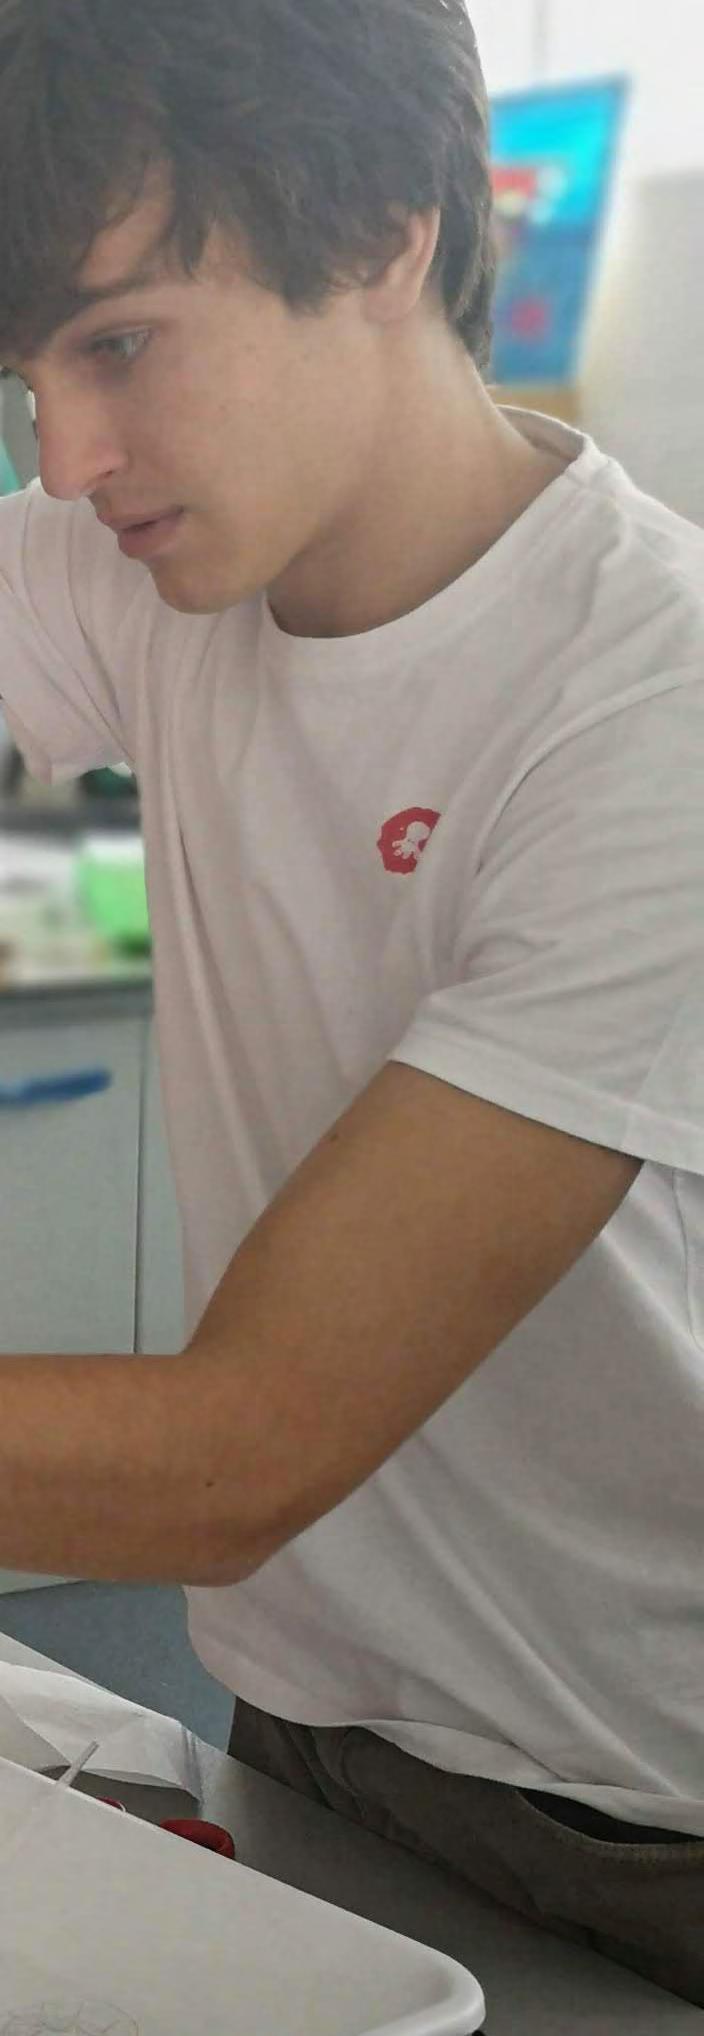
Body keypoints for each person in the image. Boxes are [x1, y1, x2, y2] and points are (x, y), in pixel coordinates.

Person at [0, 0, 703, 2006]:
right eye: (26, 375)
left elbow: (247, 1446)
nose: (67, 456)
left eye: (118, 342)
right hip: (316, 1723)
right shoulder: (142, 570)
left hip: (639, 1804)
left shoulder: (646, 706)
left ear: (392, 226)